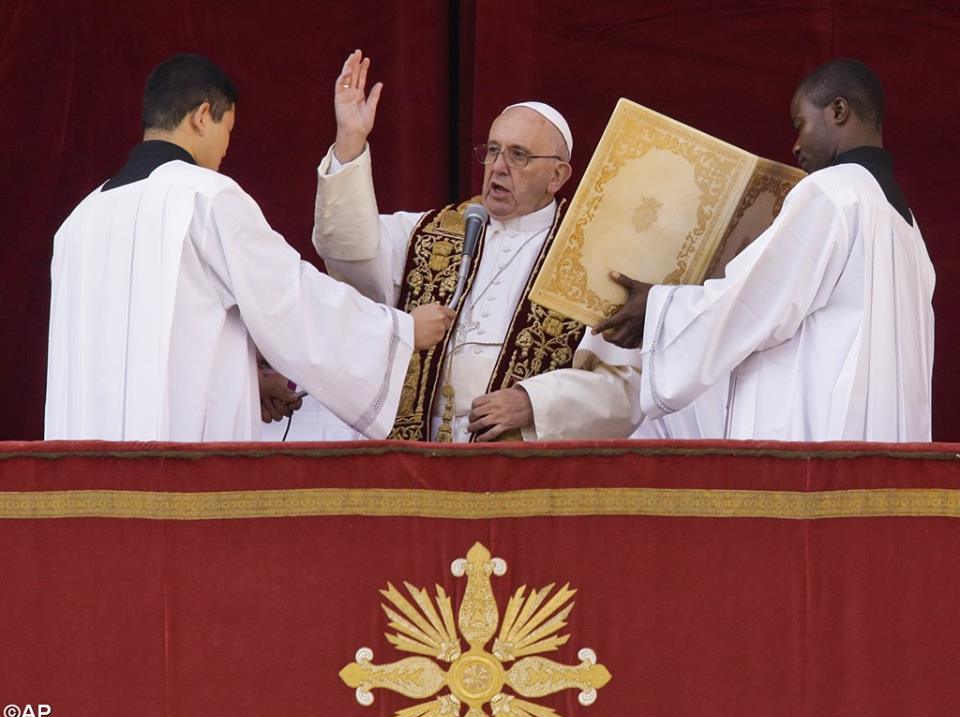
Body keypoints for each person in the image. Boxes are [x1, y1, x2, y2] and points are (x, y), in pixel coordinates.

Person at [45, 53, 453, 442]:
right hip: (174, 461)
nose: (226, 148)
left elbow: (131, 350)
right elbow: (289, 299)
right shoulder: (206, 197)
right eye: (228, 130)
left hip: (88, 457)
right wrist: (397, 331)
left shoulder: (79, 220)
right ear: (202, 116)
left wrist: (248, 379)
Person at [300, 50, 640, 443]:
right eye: (492, 150)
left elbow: (624, 388)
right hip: (422, 450)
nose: (498, 166)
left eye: (518, 155)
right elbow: (347, 248)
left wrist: (534, 403)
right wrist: (350, 140)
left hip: (524, 455)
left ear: (557, 176)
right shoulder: (431, 233)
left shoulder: (591, 259)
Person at [599, 58, 935, 442]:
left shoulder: (831, 192)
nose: (796, 145)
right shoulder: (907, 226)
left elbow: (754, 303)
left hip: (818, 442)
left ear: (838, 111)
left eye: (800, 124)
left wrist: (659, 310)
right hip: (882, 445)